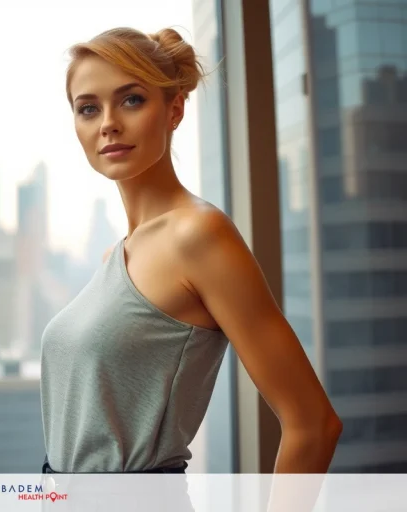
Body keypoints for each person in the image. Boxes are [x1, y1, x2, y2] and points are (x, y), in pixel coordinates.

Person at [39, 26, 342, 477]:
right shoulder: (114, 258)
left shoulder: (198, 235)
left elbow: (313, 424)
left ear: (174, 109)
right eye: (88, 108)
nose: (107, 123)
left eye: (131, 100)